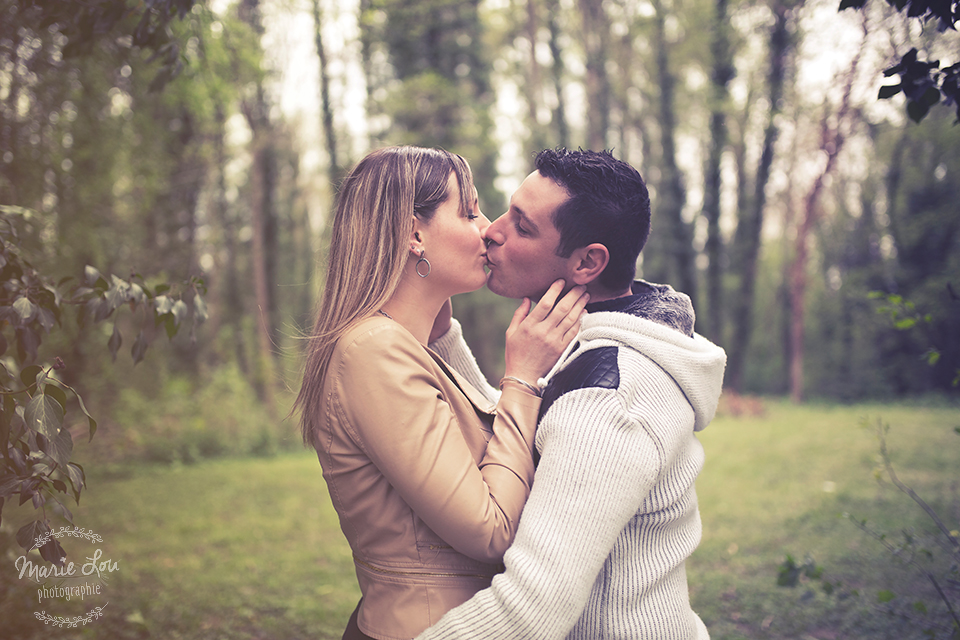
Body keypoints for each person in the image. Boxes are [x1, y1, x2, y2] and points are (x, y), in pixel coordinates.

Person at [419, 148, 727, 639]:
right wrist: (443, 338)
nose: (491, 231)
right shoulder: (593, 347)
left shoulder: (611, 400)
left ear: (587, 262)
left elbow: (530, 610)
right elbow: (528, 446)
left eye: (522, 226)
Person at [294, 145, 589, 640]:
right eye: (469, 210)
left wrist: (446, 340)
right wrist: (521, 379)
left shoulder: (406, 346)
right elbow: (492, 529)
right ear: (414, 234)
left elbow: (480, 448)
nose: (489, 227)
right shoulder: (374, 352)